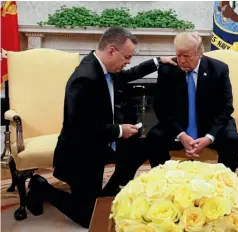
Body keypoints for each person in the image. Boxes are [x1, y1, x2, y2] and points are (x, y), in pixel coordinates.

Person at [25, 26, 176, 228]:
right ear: (112, 51)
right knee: (90, 217)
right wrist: (120, 130)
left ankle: (112, 193)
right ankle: (41, 188)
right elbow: (82, 130)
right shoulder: (84, 79)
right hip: (81, 154)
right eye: (127, 57)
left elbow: (128, 74)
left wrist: (157, 61)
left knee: (147, 145)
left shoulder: (107, 69)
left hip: (103, 145)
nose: (128, 62)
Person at [147, 31, 238, 173]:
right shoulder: (167, 69)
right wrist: (181, 135)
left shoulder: (219, 69)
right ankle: (164, 183)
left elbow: (226, 107)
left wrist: (209, 137)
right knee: (154, 137)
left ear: (200, 53)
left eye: (186, 56)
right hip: (178, 126)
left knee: (232, 139)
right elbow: (161, 107)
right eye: (178, 55)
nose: (181, 60)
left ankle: (225, 185)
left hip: (211, 125)